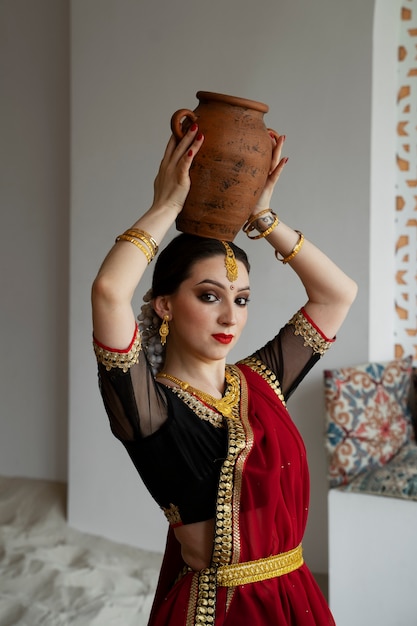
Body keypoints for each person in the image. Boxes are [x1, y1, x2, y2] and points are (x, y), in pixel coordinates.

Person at [91, 122, 357, 625]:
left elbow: (337, 294)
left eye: (242, 300)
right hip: (225, 611)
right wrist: (167, 206)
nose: (231, 317)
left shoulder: (259, 382)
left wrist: (262, 218)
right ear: (166, 304)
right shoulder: (149, 410)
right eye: (209, 296)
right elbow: (108, 291)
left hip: (295, 594)